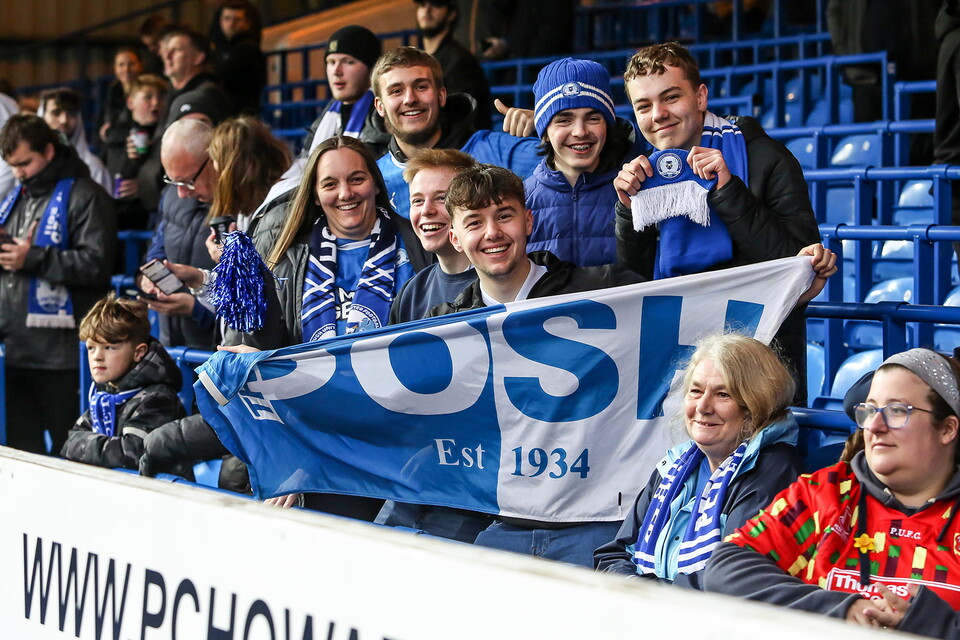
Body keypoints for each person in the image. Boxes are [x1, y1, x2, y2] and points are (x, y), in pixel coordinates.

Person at [427, 163, 835, 566]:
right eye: (475, 222)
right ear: (456, 239)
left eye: (504, 216)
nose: (493, 232)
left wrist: (791, 289)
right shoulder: (442, 328)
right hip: (501, 526)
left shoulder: (603, 289)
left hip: (599, 524)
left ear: (529, 221)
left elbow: (705, 319)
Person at [613, 42, 822, 403]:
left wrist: (726, 190)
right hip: (680, 365)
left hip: (762, 362)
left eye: (671, 97)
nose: (658, 114)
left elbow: (796, 266)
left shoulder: (765, 158)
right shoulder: (644, 175)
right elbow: (635, 280)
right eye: (643, 106)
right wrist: (629, 211)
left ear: (700, 97)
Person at [704, 348, 960, 638]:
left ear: (947, 429)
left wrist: (927, 623)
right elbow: (726, 567)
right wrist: (840, 609)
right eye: (871, 410)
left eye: (897, 411)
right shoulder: (824, 493)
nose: (875, 426)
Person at [594, 333, 803, 586]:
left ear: (756, 403)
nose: (703, 406)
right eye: (696, 391)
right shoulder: (674, 465)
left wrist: (644, 594)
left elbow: (733, 579)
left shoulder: (772, 470)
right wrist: (631, 588)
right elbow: (612, 554)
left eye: (723, 394)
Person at [0, 114, 116, 455]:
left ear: (49, 151)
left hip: (64, 358)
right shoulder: (16, 197)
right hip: (16, 351)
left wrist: (32, 258)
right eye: (11, 165)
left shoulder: (87, 195)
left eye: (24, 163)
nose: (18, 173)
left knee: (70, 456)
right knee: (22, 456)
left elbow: (97, 266)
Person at [372, 46, 539, 219]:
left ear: (441, 96)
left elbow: (563, 164)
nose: (410, 99)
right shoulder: (375, 180)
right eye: (396, 91)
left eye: (421, 87)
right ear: (380, 106)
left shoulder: (498, 151)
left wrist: (544, 126)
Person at [525, 57, 638, 267]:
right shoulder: (522, 200)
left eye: (593, 118)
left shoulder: (636, 189)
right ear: (544, 133)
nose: (580, 132)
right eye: (564, 120)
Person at [61, 294, 185, 469]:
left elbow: (132, 455)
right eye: (91, 348)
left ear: (139, 352)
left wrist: (81, 445)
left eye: (109, 347)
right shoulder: (106, 392)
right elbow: (71, 440)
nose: (97, 357)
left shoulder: (157, 398)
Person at [139, 119, 218, 350]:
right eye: (173, 181)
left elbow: (251, 297)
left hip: (220, 354)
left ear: (214, 161)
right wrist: (150, 278)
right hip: (172, 343)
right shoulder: (172, 194)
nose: (181, 193)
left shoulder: (244, 206)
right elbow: (158, 247)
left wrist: (197, 309)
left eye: (188, 182)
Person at [388, 148, 477, 325]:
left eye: (441, 198)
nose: (426, 211)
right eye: (418, 201)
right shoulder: (410, 293)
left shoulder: (502, 278)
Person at [301, 25, 390, 158]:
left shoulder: (383, 116)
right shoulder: (327, 115)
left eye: (348, 62)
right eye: (331, 62)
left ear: (372, 69)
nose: (337, 72)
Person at [101, 74, 168, 231]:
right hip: (116, 217)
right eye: (148, 97)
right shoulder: (114, 136)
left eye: (160, 97)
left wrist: (146, 187)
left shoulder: (169, 135)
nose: (156, 103)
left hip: (150, 219)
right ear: (130, 102)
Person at [414, 0, 492, 129]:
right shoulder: (421, 59)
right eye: (422, 4)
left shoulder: (462, 61)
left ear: (451, 14)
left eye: (436, 4)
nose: (427, 10)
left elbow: (463, 118)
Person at [38, 88, 113, 193]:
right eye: (56, 113)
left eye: (71, 114)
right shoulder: (33, 165)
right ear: (42, 116)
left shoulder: (92, 166)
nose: (64, 120)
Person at [209, 0, 266, 116]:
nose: (231, 24)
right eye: (227, 19)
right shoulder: (218, 50)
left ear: (247, 23)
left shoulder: (249, 49)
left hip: (241, 114)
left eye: (237, 19)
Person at [97, 46, 143, 144]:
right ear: (115, 68)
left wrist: (112, 134)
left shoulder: (147, 92)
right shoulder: (111, 91)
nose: (126, 69)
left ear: (140, 65)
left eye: (131, 64)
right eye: (121, 65)